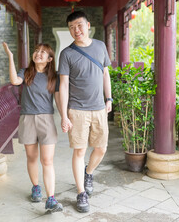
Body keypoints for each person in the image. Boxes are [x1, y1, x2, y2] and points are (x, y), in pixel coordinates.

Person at [58, 11, 112, 213]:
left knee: (101, 148)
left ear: (88, 25)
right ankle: (81, 193)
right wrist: (64, 115)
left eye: (79, 25)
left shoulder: (100, 46)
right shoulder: (67, 54)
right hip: (77, 110)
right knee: (79, 151)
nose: (76, 30)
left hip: (99, 108)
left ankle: (88, 172)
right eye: (71, 27)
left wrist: (109, 98)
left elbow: (105, 73)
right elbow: (63, 86)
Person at [2, 42, 63, 213]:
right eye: (36, 51)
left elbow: (58, 99)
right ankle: (36, 187)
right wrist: (10, 57)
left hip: (47, 120)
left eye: (43, 52)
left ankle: (51, 198)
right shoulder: (26, 72)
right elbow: (15, 81)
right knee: (31, 157)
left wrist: (65, 117)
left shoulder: (54, 77)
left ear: (50, 59)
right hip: (27, 119)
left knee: (47, 160)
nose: (38, 54)